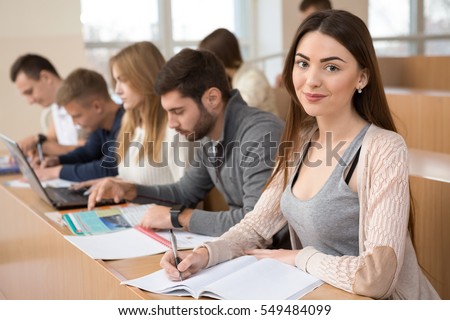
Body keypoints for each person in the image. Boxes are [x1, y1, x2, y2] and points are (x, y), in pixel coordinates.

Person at [160, 10, 440, 300]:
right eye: (303, 64)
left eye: (331, 67)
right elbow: (257, 225)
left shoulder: (384, 148)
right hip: (321, 297)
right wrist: (204, 254)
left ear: (362, 77)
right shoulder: (301, 141)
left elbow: (376, 279)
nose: (311, 80)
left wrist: (300, 258)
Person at [84, 48, 288, 246]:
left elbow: (254, 223)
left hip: (279, 256)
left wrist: (180, 217)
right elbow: (185, 192)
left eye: (178, 111)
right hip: (245, 249)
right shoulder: (209, 136)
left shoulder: (260, 134)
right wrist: (131, 190)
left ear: (212, 99)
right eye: (168, 113)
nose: (171, 123)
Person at [109, 41, 189, 185]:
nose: (117, 90)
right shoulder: (130, 122)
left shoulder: (175, 129)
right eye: (116, 81)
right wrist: (109, 184)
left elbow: (190, 196)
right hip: (131, 207)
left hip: (158, 208)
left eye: (123, 80)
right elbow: (132, 180)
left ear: (144, 77)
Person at [35, 68, 124, 182]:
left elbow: (109, 168)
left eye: (76, 116)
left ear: (97, 106)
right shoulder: (101, 126)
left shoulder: (126, 123)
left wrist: (57, 171)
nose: (74, 123)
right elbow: (87, 152)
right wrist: (59, 160)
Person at [10, 54, 85, 158]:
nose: (30, 101)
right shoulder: (56, 105)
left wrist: (43, 143)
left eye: (29, 92)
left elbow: (89, 150)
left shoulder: (82, 98)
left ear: (46, 77)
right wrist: (36, 144)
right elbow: (51, 139)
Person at [199, 28, 277, 116]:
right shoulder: (235, 77)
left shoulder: (253, 78)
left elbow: (238, 111)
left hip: (264, 127)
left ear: (220, 57)